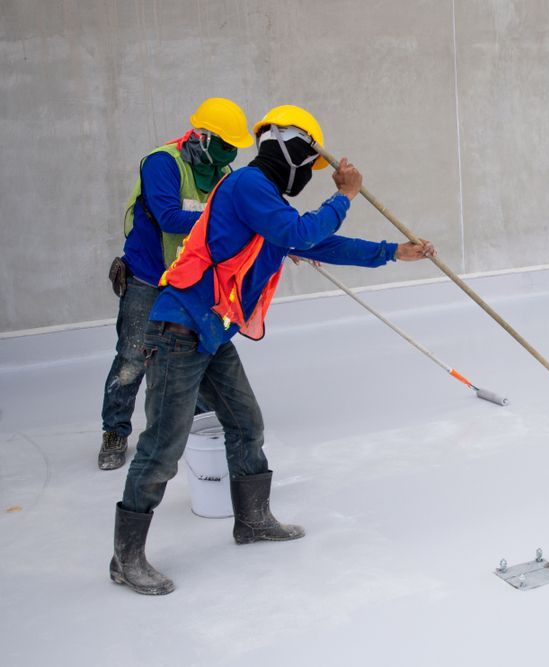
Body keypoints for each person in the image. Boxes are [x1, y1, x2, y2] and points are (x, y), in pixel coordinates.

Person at [110, 104, 436, 595]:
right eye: (309, 162)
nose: (309, 173)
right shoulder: (248, 186)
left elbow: (318, 244)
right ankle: (125, 560)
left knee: (246, 423)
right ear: (291, 152)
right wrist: (345, 195)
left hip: (212, 331)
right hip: (178, 331)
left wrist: (392, 252)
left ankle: (253, 521)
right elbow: (299, 233)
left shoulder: (267, 202)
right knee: (162, 448)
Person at [99, 98, 254, 471]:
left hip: (190, 281)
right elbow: (169, 217)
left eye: (234, 146)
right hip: (148, 275)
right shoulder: (162, 162)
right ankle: (115, 431)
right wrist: (230, 221)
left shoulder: (222, 170)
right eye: (224, 143)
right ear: (201, 137)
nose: (230, 152)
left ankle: (189, 425)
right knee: (134, 355)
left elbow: (237, 216)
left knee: (191, 354)